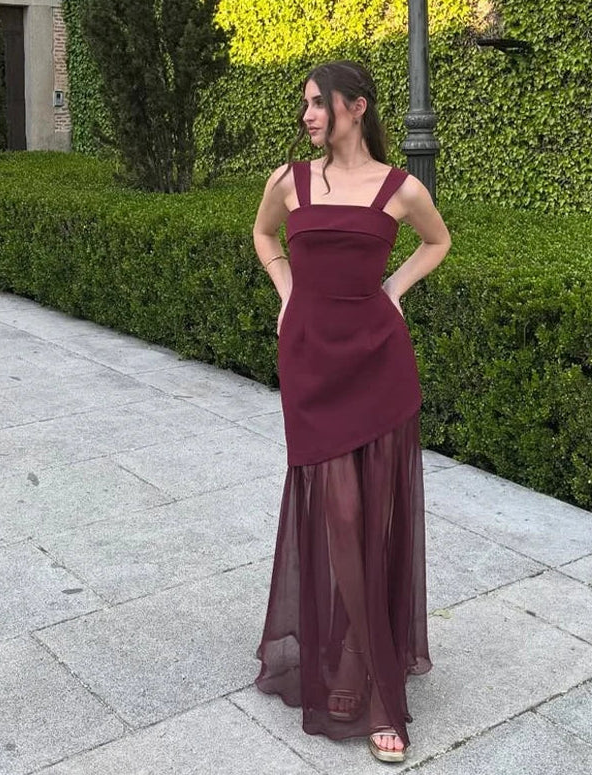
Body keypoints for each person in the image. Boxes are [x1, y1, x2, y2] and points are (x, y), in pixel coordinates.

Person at [252, 60, 451, 764]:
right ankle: (372, 681)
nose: (307, 115)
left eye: (318, 103)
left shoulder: (401, 188)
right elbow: (264, 238)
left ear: (355, 107)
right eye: (304, 103)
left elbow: (439, 240)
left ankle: (365, 667)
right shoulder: (289, 181)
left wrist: (393, 287)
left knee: (373, 519)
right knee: (338, 515)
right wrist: (286, 295)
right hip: (312, 361)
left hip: (378, 362)